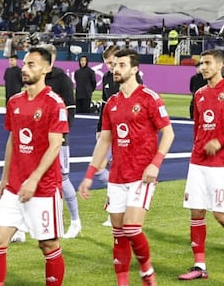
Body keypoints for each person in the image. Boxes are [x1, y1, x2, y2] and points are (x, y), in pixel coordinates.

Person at [78, 48, 176, 286]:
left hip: (142, 176)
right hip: (117, 177)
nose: (115, 69)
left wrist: (155, 164)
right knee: (118, 234)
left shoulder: (149, 98)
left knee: (132, 228)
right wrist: (90, 175)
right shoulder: (111, 103)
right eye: (114, 65)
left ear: (134, 69)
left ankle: (146, 270)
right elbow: (104, 141)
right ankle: (122, 282)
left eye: (121, 65)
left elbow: (168, 133)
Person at [0, 46, 68, 286]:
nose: (25, 68)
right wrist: (4, 177)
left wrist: (34, 179)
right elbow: (13, 140)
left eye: (31, 64)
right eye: (25, 63)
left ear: (46, 68)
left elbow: (55, 146)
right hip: (14, 187)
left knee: (48, 244)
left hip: (43, 188)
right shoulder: (14, 102)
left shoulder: (54, 103)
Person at [179, 50, 224, 280]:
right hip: (198, 161)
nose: (203, 67)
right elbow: (198, 126)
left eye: (208, 63)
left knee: (221, 215)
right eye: (201, 63)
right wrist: (198, 146)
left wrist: (219, 142)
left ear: (220, 66)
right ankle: (199, 266)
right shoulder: (199, 93)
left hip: (221, 162)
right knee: (196, 212)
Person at [41, 45, 83, 239]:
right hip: (37, 140)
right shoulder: (36, 79)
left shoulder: (62, 79)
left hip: (58, 137)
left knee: (63, 178)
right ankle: (24, 225)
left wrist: (64, 134)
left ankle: (75, 221)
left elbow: (71, 108)